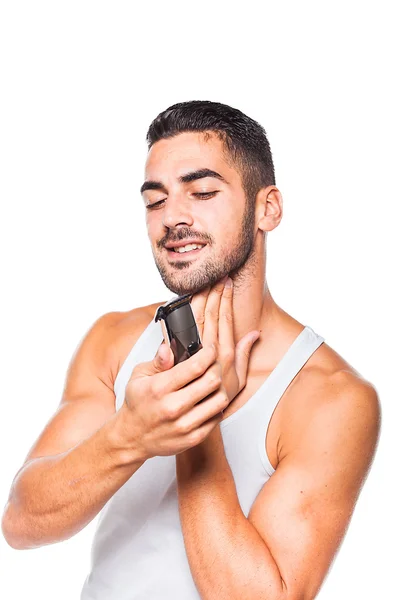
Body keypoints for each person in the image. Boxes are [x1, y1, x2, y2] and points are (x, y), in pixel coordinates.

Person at [2, 100, 381, 599]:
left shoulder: (331, 398)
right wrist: (131, 435)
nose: (173, 218)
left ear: (267, 208)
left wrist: (192, 424)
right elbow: (23, 524)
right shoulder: (114, 340)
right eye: (155, 201)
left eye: (202, 192)